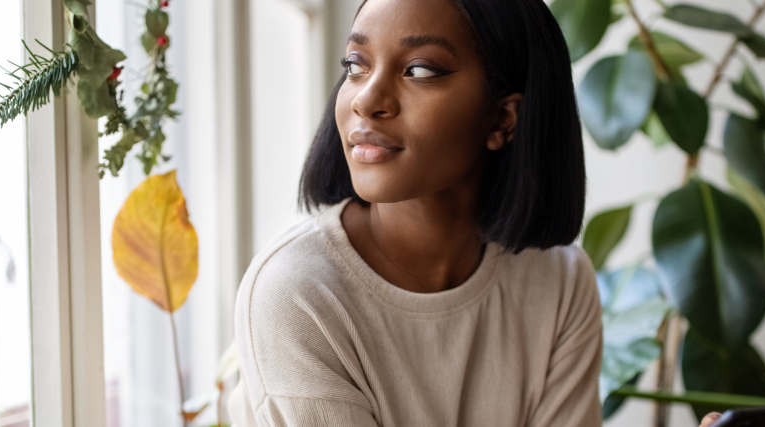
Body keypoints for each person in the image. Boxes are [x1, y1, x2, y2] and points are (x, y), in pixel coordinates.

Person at [226, 0, 723, 425]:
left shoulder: (559, 283)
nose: (366, 99)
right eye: (356, 64)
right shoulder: (295, 294)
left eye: (419, 69)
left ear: (502, 117)